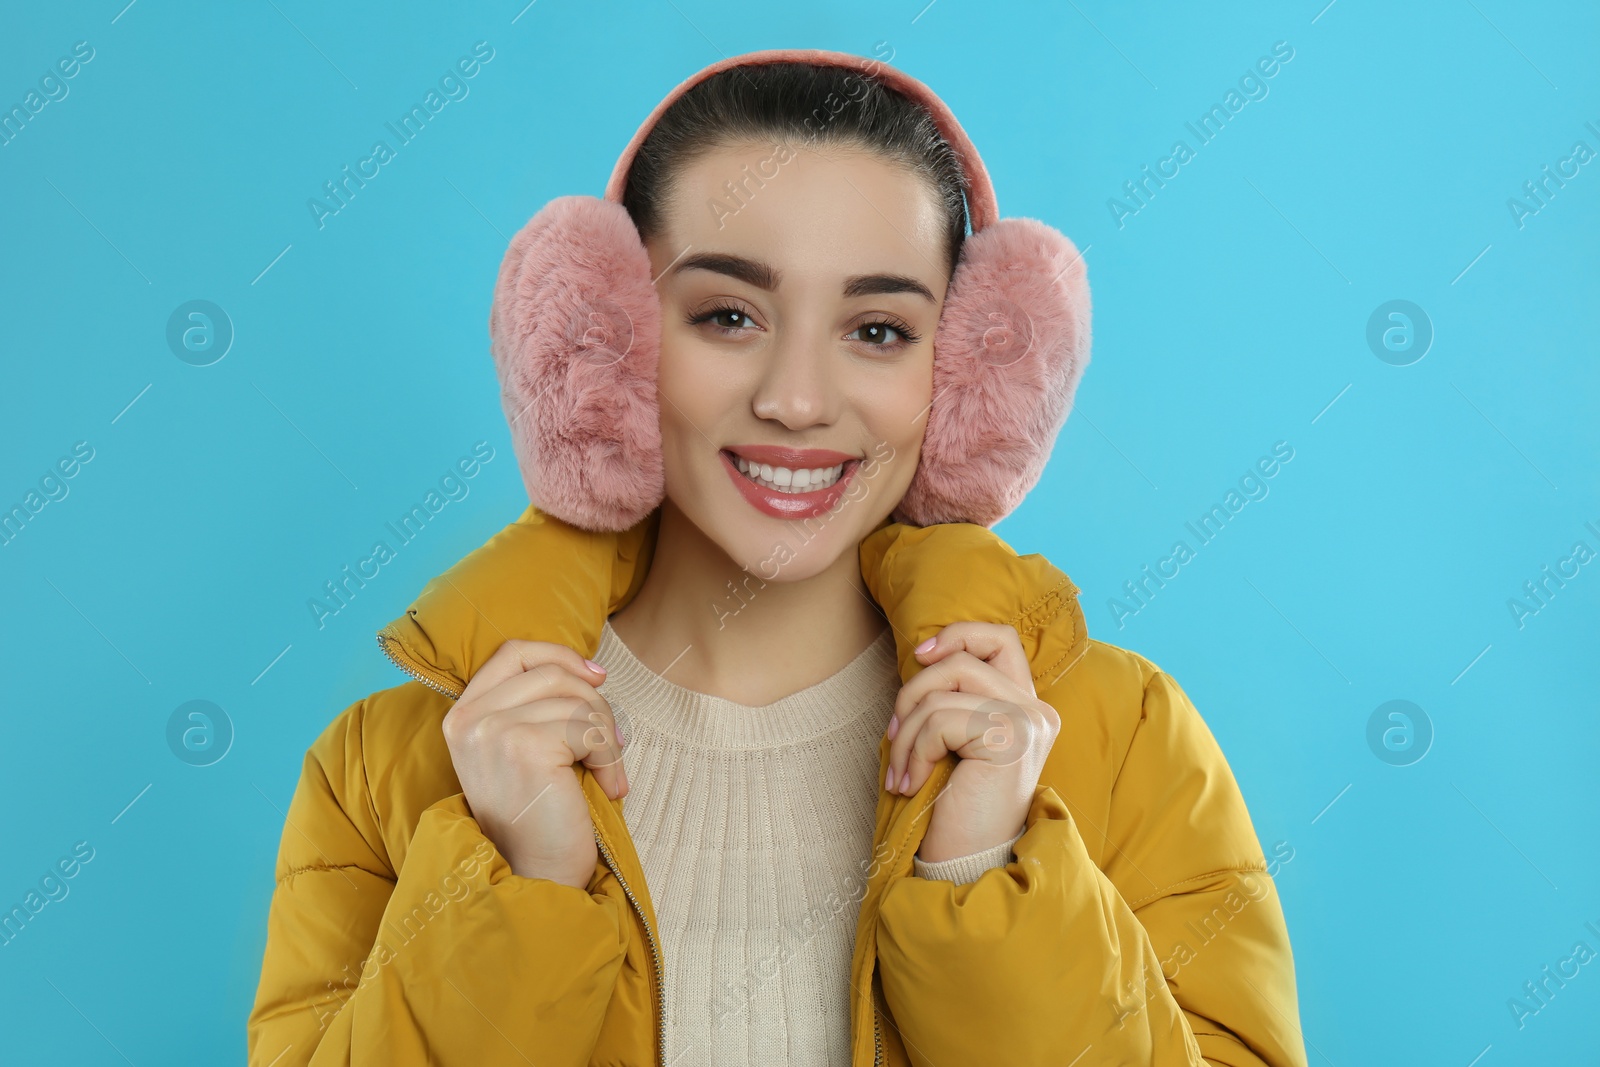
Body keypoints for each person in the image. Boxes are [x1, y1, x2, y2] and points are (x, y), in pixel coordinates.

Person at [248, 49, 1308, 1067]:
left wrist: (986, 876)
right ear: (602, 341)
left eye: (880, 329)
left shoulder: (1121, 741)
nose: (796, 398)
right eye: (726, 314)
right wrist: (522, 890)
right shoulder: (388, 766)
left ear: (969, 376)